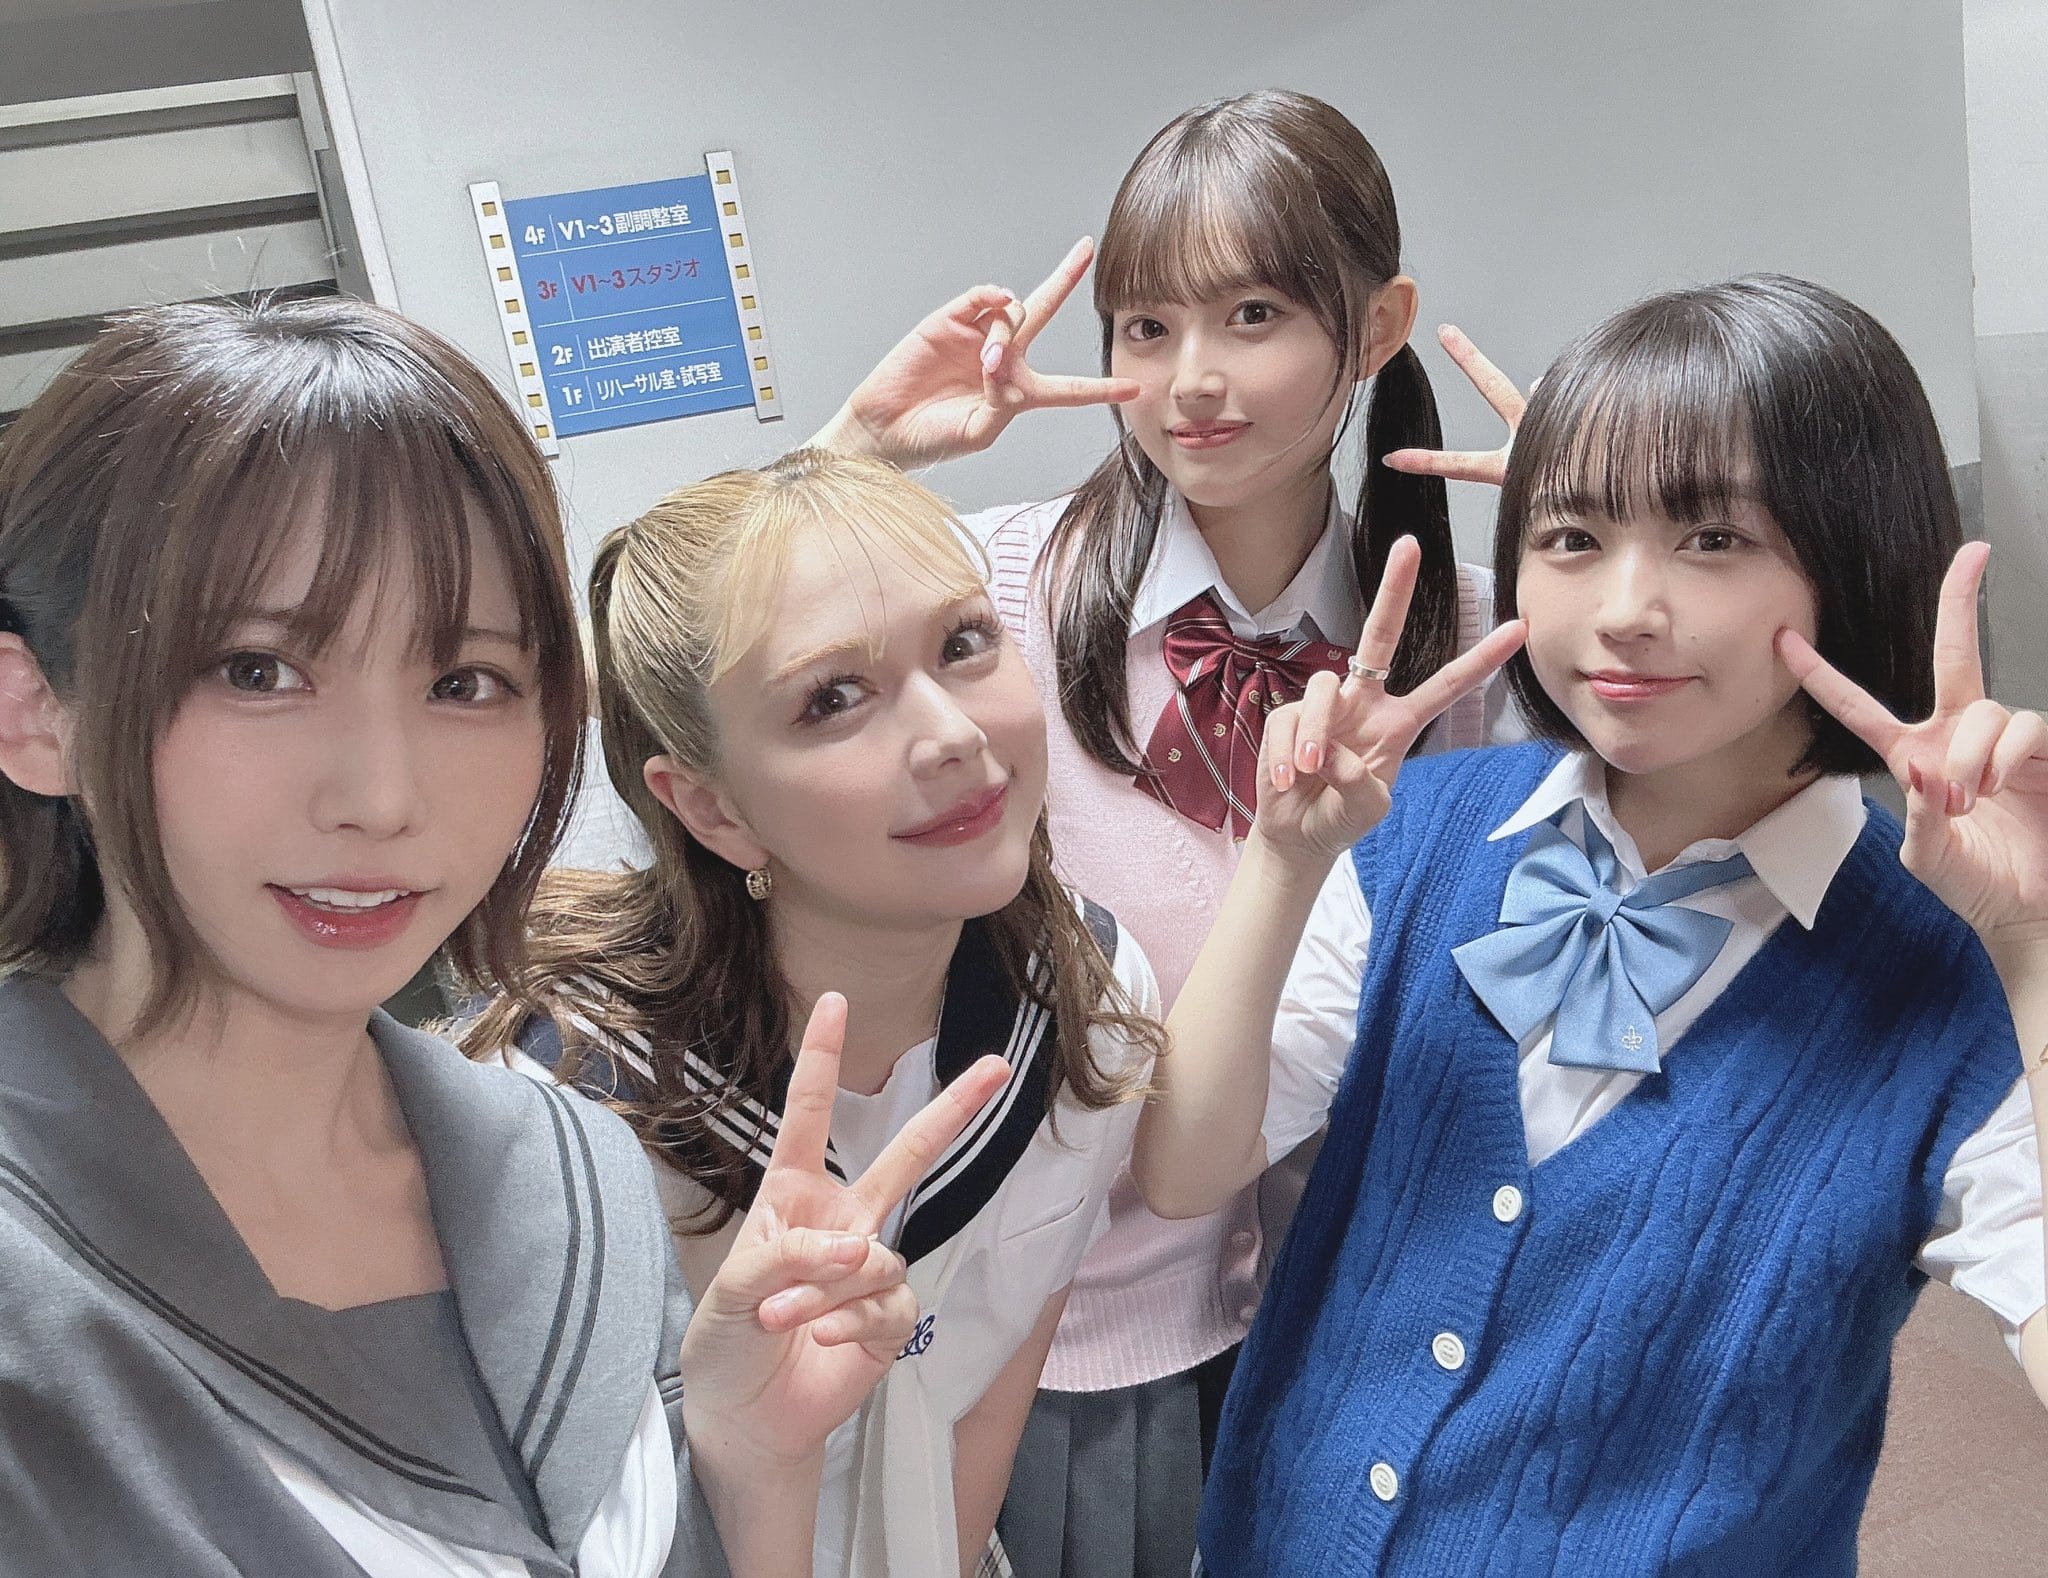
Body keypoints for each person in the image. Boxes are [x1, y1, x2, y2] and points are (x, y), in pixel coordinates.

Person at [0, 299, 1002, 1577]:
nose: (383, 798)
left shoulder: (574, 1169)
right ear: (36, 712)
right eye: (258, 670)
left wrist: (753, 1464)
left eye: (462, 683)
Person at [1130, 275, 2048, 1574]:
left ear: (1856, 555)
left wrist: (2030, 944)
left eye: (1711, 538)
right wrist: (1280, 862)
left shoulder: (1944, 977)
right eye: (1569, 536)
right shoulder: (1415, 834)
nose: (1623, 609)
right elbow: (1184, 1169)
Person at [808, 88, 1524, 1574]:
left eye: (1253, 315)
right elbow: (701, 671)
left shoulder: (1462, 646)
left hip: (1355, 1311)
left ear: (1376, 326)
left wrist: (1609, 531)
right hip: (1066, 1334)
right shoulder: (994, 599)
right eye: (1145, 327)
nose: (1190, 381)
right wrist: (858, 453)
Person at [463, 449, 1165, 1578]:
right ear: (712, 810)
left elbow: (982, 1400)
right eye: (833, 698)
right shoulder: (565, 1114)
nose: (951, 733)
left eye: (964, 642)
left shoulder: (1090, 999)